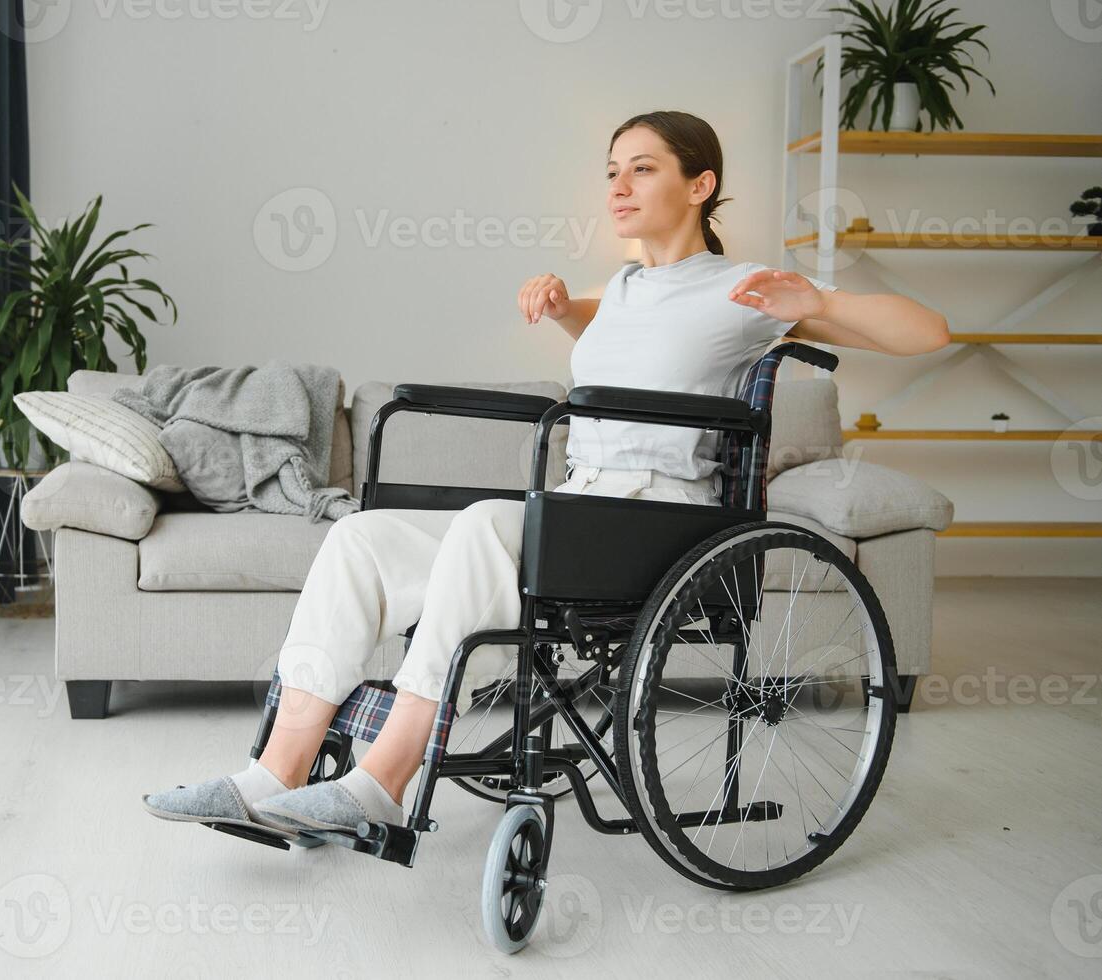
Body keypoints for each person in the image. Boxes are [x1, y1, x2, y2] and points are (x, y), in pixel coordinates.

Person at [141, 109, 949, 840]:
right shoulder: (627, 286)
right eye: (611, 171)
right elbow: (621, 328)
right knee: (359, 537)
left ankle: (382, 781)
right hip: (581, 509)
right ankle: (269, 778)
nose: (619, 186)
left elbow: (927, 331)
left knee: (487, 527)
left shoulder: (745, 290)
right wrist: (563, 305)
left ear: (699, 185)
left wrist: (818, 301)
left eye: (642, 168)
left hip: (657, 521)